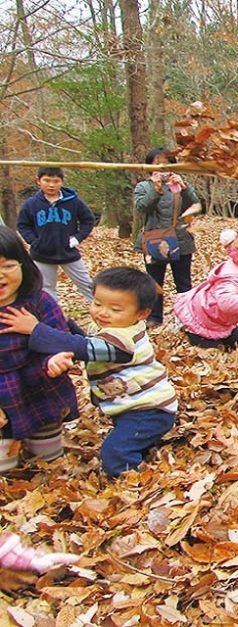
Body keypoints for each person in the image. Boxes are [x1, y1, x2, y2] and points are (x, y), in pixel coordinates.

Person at [0, 267, 177, 477]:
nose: (102, 312)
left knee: (115, 454)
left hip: (149, 410)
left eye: (115, 309)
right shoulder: (113, 328)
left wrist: (37, 329)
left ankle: (133, 480)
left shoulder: (124, 341)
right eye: (97, 304)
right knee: (128, 439)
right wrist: (60, 322)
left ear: (142, 314)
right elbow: (85, 341)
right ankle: (141, 447)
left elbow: (85, 348)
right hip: (132, 405)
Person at [0, 226, 78, 474]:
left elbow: (61, 339)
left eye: (8, 266)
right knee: (5, 467)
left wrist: (55, 360)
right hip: (3, 396)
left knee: (49, 460)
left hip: (40, 388)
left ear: (23, 265)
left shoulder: (39, 302)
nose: (0, 276)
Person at [134, 147, 201, 328]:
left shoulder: (179, 185)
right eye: (156, 163)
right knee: (155, 281)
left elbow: (195, 205)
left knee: (183, 281)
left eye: (165, 162)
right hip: (154, 239)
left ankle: (186, 317)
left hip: (181, 238)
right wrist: (155, 189)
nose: (161, 167)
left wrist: (184, 188)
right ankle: (154, 318)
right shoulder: (143, 187)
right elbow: (142, 208)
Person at [16, 167, 96, 302]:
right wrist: (34, 241)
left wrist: (77, 238)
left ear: (62, 182)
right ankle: (54, 317)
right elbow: (23, 225)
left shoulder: (73, 201)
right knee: (46, 289)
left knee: (87, 284)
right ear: (38, 181)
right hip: (42, 254)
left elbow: (88, 220)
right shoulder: (31, 204)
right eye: (47, 180)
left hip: (68, 252)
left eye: (56, 181)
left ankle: (102, 312)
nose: (51, 185)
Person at [0, 531, 79, 572]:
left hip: (31, 556)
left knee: (50, 558)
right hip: (29, 562)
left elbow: (15, 540)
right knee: (45, 563)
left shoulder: (9, 542)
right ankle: (67, 565)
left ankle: (75, 560)